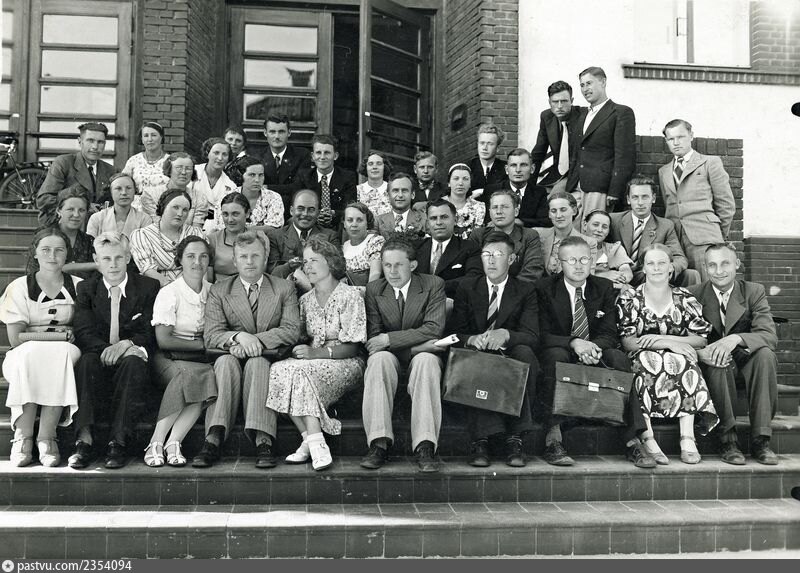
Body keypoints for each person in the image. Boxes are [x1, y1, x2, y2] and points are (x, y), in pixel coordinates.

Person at [536, 236, 654, 468]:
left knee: (618, 358)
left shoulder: (603, 287)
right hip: (561, 348)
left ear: (592, 261)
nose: (578, 265)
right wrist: (574, 343)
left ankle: (632, 439)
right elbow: (540, 334)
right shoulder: (543, 288)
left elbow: (609, 332)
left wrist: (592, 347)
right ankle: (553, 438)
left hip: (594, 349)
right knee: (555, 357)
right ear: (560, 263)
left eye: (583, 259)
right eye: (571, 260)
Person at [196, 231, 301, 469]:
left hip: (267, 357)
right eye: (243, 256)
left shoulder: (284, 288)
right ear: (234, 261)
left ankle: (263, 438)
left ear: (266, 258)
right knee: (224, 363)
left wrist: (254, 341)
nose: (250, 261)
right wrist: (237, 337)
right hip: (231, 355)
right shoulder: (220, 290)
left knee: (257, 363)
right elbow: (212, 334)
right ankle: (214, 435)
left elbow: (291, 330)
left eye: (256, 255)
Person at [267, 238, 366, 470]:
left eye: (314, 260)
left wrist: (315, 353)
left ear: (330, 262)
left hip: (346, 361)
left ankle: (316, 444)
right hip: (314, 362)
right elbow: (301, 337)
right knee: (279, 369)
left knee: (302, 372)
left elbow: (353, 347)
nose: (307, 266)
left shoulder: (350, 295)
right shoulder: (305, 300)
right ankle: (311, 439)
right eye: (305, 261)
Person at [617, 244, 718, 465]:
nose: (656, 268)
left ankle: (687, 437)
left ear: (671, 267)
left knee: (685, 361)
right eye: (650, 263)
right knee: (646, 361)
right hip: (641, 356)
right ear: (643, 268)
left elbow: (700, 339)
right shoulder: (630, 297)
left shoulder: (685, 297)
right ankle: (648, 437)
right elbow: (628, 342)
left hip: (676, 356)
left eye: (662, 263)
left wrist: (668, 343)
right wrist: (664, 343)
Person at [447, 231, 540, 468]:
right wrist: (471, 339)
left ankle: (515, 438)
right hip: (478, 353)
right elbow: (454, 333)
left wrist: (506, 334)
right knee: (477, 359)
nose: (490, 260)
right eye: (486, 254)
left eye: (498, 254)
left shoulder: (525, 289)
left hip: (508, 353)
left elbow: (531, 336)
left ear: (511, 259)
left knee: (525, 354)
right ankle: (481, 440)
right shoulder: (468, 287)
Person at [69, 232, 159, 469]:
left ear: (128, 257)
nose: (113, 264)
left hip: (131, 357)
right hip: (99, 356)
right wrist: (111, 350)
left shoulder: (148, 286)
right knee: (86, 362)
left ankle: (117, 441)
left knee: (134, 363)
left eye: (119, 258)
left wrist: (126, 344)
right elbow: (84, 332)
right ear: (96, 261)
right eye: (106, 259)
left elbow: (149, 330)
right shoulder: (87, 288)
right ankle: (84, 440)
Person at [361, 239, 447, 473]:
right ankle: (378, 444)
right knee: (378, 361)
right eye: (387, 265)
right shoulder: (375, 290)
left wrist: (390, 339)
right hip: (396, 355)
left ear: (413, 265)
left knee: (426, 362)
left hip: (421, 356)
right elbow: (374, 341)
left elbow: (433, 329)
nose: (392, 272)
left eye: (398, 265)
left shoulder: (433, 284)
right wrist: (414, 347)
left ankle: (425, 445)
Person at [689, 243, 779, 465]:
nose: (719, 270)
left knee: (765, 355)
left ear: (737, 264)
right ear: (705, 268)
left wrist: (735, 338)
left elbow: (769, 335)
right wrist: (703, 353)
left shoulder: (753, 291)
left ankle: (761, 440)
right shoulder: (693, 294)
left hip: (745, 359)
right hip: (713, 364)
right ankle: (727, 440)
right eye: (712, 265)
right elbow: (683, 336)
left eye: (725, 263)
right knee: (719, 359)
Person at [2, 229, 82, 467]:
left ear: (67, 254)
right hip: (24, 354)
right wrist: (58, 335)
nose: (52, 256)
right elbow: (16, 338)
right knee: (31, 353)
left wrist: (47, 336)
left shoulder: (79, 286)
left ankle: (47, 437)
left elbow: (83, 331)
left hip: (66, 352)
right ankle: (23, 436)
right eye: (45, 250)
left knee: (59, 354)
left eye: (59, 250)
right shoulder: (19, 287)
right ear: (35, 253)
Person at [145, 236, 217, 468]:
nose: (197, 262)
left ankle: (173, 442)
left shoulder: (214, 291)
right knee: (189, 376)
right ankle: (155, 442)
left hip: (199, 360)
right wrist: (203, 345)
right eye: (191, 256)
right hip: (168, 357)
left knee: (206, 377)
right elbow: (164, 340)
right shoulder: (170, 292)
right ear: (180, 261)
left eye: (203, 256)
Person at [658, 119, 736, 281]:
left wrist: (716, 236)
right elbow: (669, 204)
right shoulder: (664, 171)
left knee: (709, 286)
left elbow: (726, 204)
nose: (676, 142)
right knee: (683, 286)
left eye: (680, 137)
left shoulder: (709, 162)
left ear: (691, 136)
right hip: (675, 242)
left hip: (705, 237)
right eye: (671, 139)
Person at [609, 176, 700, 287]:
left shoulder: (665, 226)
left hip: (650, 275)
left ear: (653, 198)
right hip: (620, 275)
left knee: (691, 274)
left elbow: (679, 258)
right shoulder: (613, 220)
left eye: (645, 197)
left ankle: (690, 299)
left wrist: (670, 267)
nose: (640, 202)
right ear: (628, 199)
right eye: (635, 197)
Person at [570, 67, 636, 216]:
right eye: (582, 85)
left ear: (603, 82)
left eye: (589, 83)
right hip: (577, 187)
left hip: (599, 188)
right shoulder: (583, 115)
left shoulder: (620, 112)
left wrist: (615, 190)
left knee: (593, 228)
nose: (585, 89)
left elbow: (625, 156)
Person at [36, 122, 115, 226]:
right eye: (90, 140)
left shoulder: (110, 170)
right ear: (80, 141)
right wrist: (85, 207)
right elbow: (44, 199)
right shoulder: (64, 163)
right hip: (61, 226)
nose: (95, 147)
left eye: (100, 142)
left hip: (96, 227)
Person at [129, 189, 204, 287]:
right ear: (163, 207)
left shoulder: (196, 234)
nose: (180, 213)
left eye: (185, 210)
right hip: (156, 288)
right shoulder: (142, 235)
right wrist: (173, 290)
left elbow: (202, 267)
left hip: (192, 287)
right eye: (175, 207)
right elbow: (147, 269)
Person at [266, 189, 340, 285]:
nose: (305, 214)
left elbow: (337, 270)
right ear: (291, 210)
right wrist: (289, 266)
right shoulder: (275, 237)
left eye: (311, 210)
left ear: (318, 213)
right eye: (300, 209)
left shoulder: (330, 237)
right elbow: (272, 274)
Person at [470, 190, 544, 283]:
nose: (499, 212)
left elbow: (532, 272)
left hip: (519, 289)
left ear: (516, 211)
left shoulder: (529, 236)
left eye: (504, 207)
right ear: (489, 212)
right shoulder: (478, 235)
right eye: (494, 207)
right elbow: (473, 271)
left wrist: (505, 289)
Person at [415, 199, 482, 300]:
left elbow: (473, 279)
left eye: (444, 217)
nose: (438, 222)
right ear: (427, 223)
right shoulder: (415, 247)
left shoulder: (470, 248)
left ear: (455, 220)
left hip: (454, 304)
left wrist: (435, 288)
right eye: (433, 218)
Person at [27, 186, 97, 280]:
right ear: (59, 210)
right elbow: (42, 269)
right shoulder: (45, 235)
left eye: (81, 210)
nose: (76, 215)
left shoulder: (88, 241)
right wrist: (93, 265)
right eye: (70, 209)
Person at [531, 81, 585, 194]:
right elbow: (538, 153)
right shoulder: (547, 117)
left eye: (564, 101)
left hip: (577, 175)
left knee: (553, 198)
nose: (559, 106)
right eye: (555, 102)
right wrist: (529, 184)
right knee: (536, 196)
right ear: (549, 102)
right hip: (556, 175)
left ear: (572, 101)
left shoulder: (583, 116)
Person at [295, 134, 358, 229]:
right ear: (312, 156)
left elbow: (350, 208)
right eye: (318, 153)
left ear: (335, 156)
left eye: (327, 153)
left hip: (338, 225)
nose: (322, 157)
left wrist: (333, 213)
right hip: (310, 223)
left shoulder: (347, 177)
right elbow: (298, 206)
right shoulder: (304, 176)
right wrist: (316, 214)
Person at [207, 156, 283, 232]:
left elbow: (274, 228)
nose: (257, 180)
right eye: (252, 175)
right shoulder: (226, 197)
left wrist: (241, 229)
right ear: (240, 176)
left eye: (261, 175)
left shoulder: (273, 197)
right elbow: (222, 227)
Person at [536, 191, 598, 276]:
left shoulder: (588, 242)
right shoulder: (538, 235)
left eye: (563, 210)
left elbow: (588, 275)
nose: (558, 215)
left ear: (574, 211)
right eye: (553, 211)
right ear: (549, 214)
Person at [484, 148, 550, 227]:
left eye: (523, 165)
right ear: (507, 169)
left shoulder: (539, 192)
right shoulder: (493, 190)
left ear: (532, 169)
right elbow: (488, 221)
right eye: (513, 165)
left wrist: (521, 222)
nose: (518, 170)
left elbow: (545, 221)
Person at [262, 114, 311, 213]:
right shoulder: (257, 157)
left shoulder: (301, 155)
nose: (277, 136)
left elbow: (298, 186)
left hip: (292, 211)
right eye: (272, 132)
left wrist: (267, 187)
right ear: (265, 133)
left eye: (281, 132)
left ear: (289, 132)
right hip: (265, 210)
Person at [121, 122, 170, 213]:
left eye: (154, 135)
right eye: (146, 136)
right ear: (142, 139)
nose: (150, 139)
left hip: (162, 207)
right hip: (137, 209)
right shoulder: (134, 160)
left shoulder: (170, 161)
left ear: (161, 137)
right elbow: (123, 183)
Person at [87, 173, 153, 238]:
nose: (124, 193)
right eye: (118, 188)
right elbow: (89, 244)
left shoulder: (144, 219)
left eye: (128, 188)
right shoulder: (97, 219)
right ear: (111, 192)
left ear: (134, 191)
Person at [582, 209, 633, 290]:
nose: (599, 230)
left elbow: (627, 273)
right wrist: (602, 276)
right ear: (585, 225)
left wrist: (619, 278)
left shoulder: (613, 248)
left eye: (604, 227)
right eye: (595, 225)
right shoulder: (572, 247)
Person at [195, 137, 237, 233]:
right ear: (207, 153)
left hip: (215, 231)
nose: (220, 158)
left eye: (224, 154)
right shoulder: (194, 172)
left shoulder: (231, 186)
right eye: (216, 153)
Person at [207, 193, 250, 281]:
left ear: (247, 213)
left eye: (235, 214)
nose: (230, 220)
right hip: (220, 287)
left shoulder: (259, 238)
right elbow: (209, 278)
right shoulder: (212, 240)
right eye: (225, 214)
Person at [159, 152, 209, 228]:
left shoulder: (199, 198)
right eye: (179, 168)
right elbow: (154, 226)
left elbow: (196, 230)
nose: (183, 172)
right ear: (169, 170)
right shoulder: (153, 194)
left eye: (188, 169)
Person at [342, 202, 385, 288]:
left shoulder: (375, 241)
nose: (354, 225)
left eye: (359, 220)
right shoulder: (344, 247)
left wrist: (366, 292)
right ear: (344, 224)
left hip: (372, 291)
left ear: (367, 223)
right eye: (350, 220)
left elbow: (376, 273)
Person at [375, 172, 427, 241]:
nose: (400, 195)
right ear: (388, 195)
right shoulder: (378, 222)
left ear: (413, 194)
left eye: (404, 191)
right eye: (395, 191)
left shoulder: (424, 220)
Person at [442, 163, 486, 239]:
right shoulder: (439, 205)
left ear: (470, 183)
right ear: (449, 183)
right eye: (456, 178)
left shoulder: (479, 207)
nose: (460, 183)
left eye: (465, 179)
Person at [467, 123, 508, 196]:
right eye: (482, 143)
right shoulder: (467, 168)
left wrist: (483, 191)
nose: (485, 148)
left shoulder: (505, 169)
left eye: (490, 144)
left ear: (498, 148)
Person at [356, 151, 393, 218]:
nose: (374, 167)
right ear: (366, 167)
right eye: (370, 164)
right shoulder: (356, 191)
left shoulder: (393, 189)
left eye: (379, 164)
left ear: (385, 167)